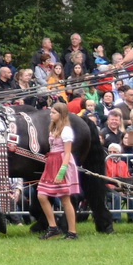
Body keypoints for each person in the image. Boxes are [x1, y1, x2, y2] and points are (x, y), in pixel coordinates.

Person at [36, 102, 81, 240]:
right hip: (52, 162)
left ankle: (72, 232)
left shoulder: (66, 130)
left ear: (61, 114)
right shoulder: (53, 129)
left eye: (53, 112)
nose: (51, 115)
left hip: (61, 162)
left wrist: (62, 171)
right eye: (51, 112)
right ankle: (53, 227)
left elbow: (67, 153)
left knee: (65, 199)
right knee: (41, 195)